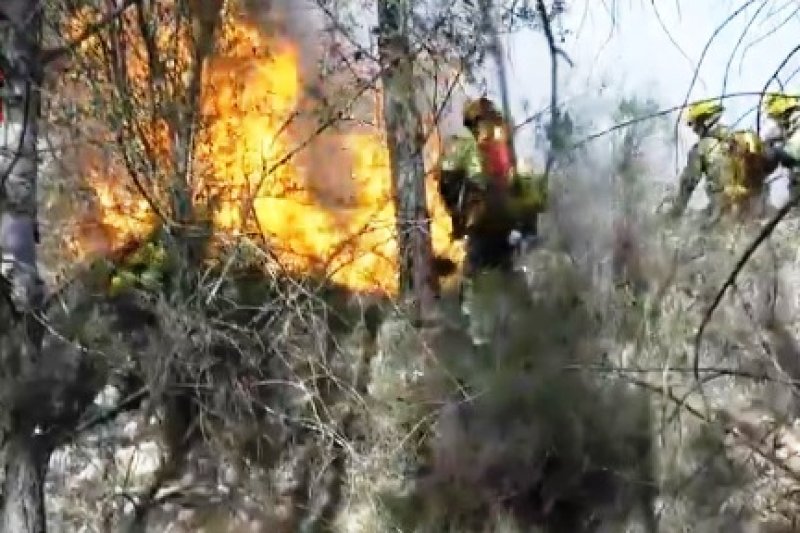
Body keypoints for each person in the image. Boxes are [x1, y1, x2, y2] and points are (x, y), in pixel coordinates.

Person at [438, 97, 546, 344]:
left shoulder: (488, 152)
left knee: (487, 278)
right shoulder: (494, 152)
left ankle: (491, 336)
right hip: (496, 232)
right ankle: (500, 334)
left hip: (494, 232)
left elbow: (448, 185)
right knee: (494, 277)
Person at [669, 100, 773, 224]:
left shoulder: (702, 148)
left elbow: (688, 183)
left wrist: (674, 214)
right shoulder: (742, 141)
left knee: (695, 229)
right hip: (753, 210)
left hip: (723, 213)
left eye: (695, 124)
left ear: (705, 122)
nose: (694, 129)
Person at [761, 92, 800, 201]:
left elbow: (795, 151)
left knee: (773, 153)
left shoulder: (796, 118)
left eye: (775, 116)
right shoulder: (786, 124)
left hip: (796, 153)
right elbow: (771, 135)